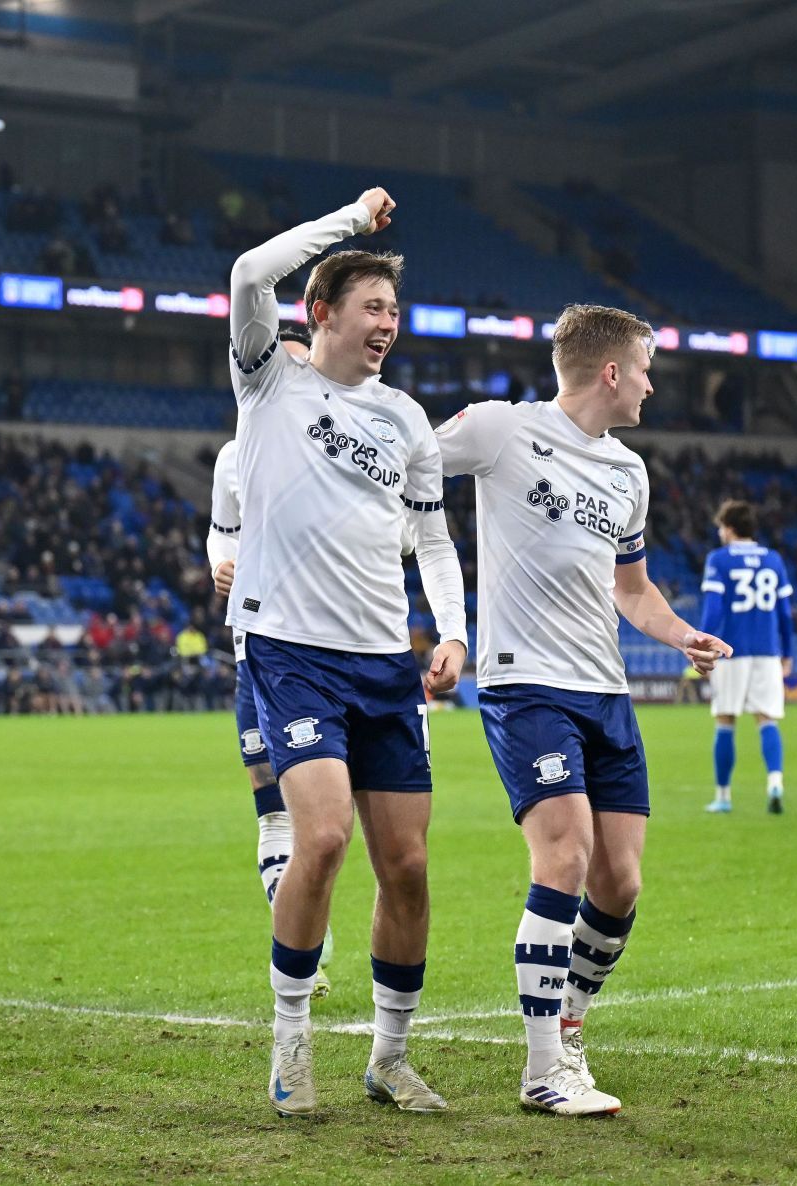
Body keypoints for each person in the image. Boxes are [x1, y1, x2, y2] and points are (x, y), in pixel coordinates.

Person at [436, 304, 729, 1116]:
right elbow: (405, 459)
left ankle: (567, 1022)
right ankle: (541, 1072)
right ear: (610, 372)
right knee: (562, 858)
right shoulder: (499, 429)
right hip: (525, 684)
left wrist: (681, 634)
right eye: (644, 368)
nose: (650, 383)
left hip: (606, 692)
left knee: (621, 882)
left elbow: (630, 590)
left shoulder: (628, 473)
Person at [227, 186, 467, 1117]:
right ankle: (291, 1043)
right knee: (321, 838)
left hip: (382, 659)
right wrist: (348, 225)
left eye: (396, 313)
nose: (388, 326)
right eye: (373, 307)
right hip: (289, 650)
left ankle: (389, 1057)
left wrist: (450, 629)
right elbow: (251, 272)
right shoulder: (269, 379)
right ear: (321, 310)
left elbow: (434, 541)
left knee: (405, 865)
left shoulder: (406, 420)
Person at [206, 324, 336, 1000]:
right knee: (273, 812)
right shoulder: (234, 458)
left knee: (331, 820)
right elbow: (220, 532)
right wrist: (219, 568)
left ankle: (307, 935)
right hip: (253, 654)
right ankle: (304, 951)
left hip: (325, 655)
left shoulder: (331, 449)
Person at [698, 499, 794, 814]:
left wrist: (703, 645)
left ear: (728, 527)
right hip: (767, 651)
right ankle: (775, 783)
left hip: (731, 651)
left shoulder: (719, 559)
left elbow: (713, 608)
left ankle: (724, 796)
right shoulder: (774, 559)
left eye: (720, 527)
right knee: (767, 719)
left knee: (725, 720)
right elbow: (784, 613)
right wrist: (787, 653)